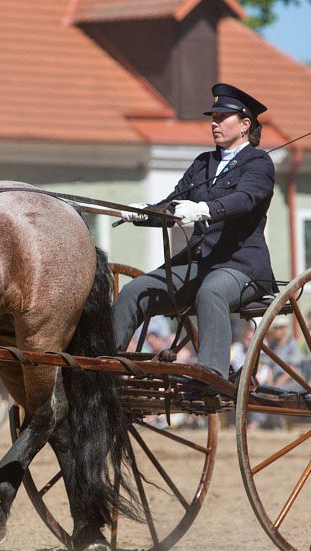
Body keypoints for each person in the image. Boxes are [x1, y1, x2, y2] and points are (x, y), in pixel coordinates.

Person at [113, 83, 276, 395]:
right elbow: (175, 203)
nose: (213, 123)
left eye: (221, 117)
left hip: (240, 266)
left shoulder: (259, 163)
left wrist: (206, 210)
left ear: (244, 125)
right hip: (199, 263)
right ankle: (104, 368)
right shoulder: (203, 163)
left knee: (211, 292)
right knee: (135, 291)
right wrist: (144, 213)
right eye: (212, 117)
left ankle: (211, 374)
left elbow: (245, 199)